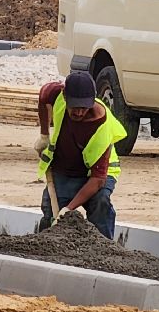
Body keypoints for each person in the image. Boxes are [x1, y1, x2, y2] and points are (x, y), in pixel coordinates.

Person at [33, 71, 127, 239]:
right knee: (50, 214)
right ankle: (44, 249)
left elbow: (98, 179)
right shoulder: (57, 95)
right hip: (65, 169)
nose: (79, 113)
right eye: (74, 107)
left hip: (97, 174)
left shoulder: (102, 125)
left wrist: (68, 210)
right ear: (64, 96)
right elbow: (43, 95)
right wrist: (44, 135)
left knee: (101, 203)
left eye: (84, 107)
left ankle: (104, 250)